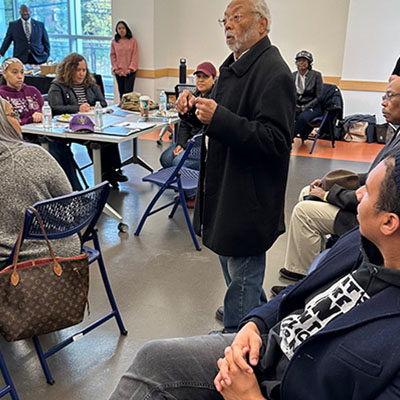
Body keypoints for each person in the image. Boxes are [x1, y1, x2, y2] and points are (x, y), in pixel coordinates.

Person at [109, 150, 400, 400]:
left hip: (277, 389)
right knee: (155, 360)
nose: (356, 194)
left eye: (368, 192)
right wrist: (254, 323)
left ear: (388, 222)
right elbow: (298, 292)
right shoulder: (359, 244)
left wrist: (248, 396)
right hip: (266, 348)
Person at [176, 0, 296, 333]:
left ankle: (236, 344)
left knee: (242, 276)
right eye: (224, 19)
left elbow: (275, 141)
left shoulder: (275, 73)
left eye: (237, 17)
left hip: (249, 195)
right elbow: (216, 117)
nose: (228, 24)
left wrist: (219, 118)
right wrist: (192, 110)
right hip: (227, 187)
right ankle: (252, 314)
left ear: (263, 25)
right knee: (236, 271)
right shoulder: (233, 66)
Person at [275, 78, 400, 293]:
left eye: (390, 96)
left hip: (371, 218)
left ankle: (306, 280)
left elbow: (376, 200)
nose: (383, 102)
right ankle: (311, 268)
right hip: (369, 206)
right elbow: (370, 178)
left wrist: (328, 195)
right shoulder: (396, 134)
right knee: (307, 191)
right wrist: (330, 181)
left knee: (305, 212)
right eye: (384, 96)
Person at [0, 97, 80, 270]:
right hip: (55, 252)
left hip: (12, 261)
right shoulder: (35, 155)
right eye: (13, 114)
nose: (19, 119)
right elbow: (67, 199)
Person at [48, 53, 127, 190]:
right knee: (96, 140)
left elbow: (102, 102)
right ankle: (104, 173)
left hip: (91, 121)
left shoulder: (90, 83)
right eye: (78, 70)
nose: (81, 74)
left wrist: (93, 107)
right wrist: (77, 108)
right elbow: (55, 107)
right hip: (70, 126)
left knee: (109, 136)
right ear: (69, 70)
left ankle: (111, 171)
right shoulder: (58, 85)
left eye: (84, 70)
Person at [160, 61, 217, 171]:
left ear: (214, 79)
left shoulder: (213, 102)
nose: (200, 80)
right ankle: (179, 175)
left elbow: (204, 130)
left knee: (177, 162)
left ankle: (192, 179)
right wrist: (180, 144)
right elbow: (184, 124)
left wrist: (185, 147)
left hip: (201, 145)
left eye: (205, 77)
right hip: (188, 141)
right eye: (198, 76)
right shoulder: (192, 98)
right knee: (165, 159)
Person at [0, 57, 43, 133]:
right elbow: (6, 124)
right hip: (14, 137)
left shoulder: (33, 91)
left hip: (40, 134)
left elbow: (46, 112)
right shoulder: (2, 95)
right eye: (14, 72)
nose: (20, 76)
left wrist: (40, 115)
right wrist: (31, 119)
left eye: (22, 72)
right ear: (4, 74)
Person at [292, 50, 323, 141]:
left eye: (304, 61)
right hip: (297, 105)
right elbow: (290, 93)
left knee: (302, 117)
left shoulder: (316, 75)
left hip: (313, 106)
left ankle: (288, 139)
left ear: (309, 63)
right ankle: (302, 132)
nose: (301, 63)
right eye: (299, 61)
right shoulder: (293, 75)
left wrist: (305, 107)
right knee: (286, 115)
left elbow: (319, 96)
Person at [110, 20, 138, 99]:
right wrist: (115, 69)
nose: (121, 30)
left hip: (130, 72)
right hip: (118, 71)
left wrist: (130, 68)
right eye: (119, 28)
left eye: (123, 28)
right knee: (121, 94)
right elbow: (113, 56)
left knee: (128, 94)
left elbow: (135, 55)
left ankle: (128, 109)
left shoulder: (133, 41)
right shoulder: (114, 42)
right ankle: (121, 110)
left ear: (126, 29)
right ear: (117, 30)